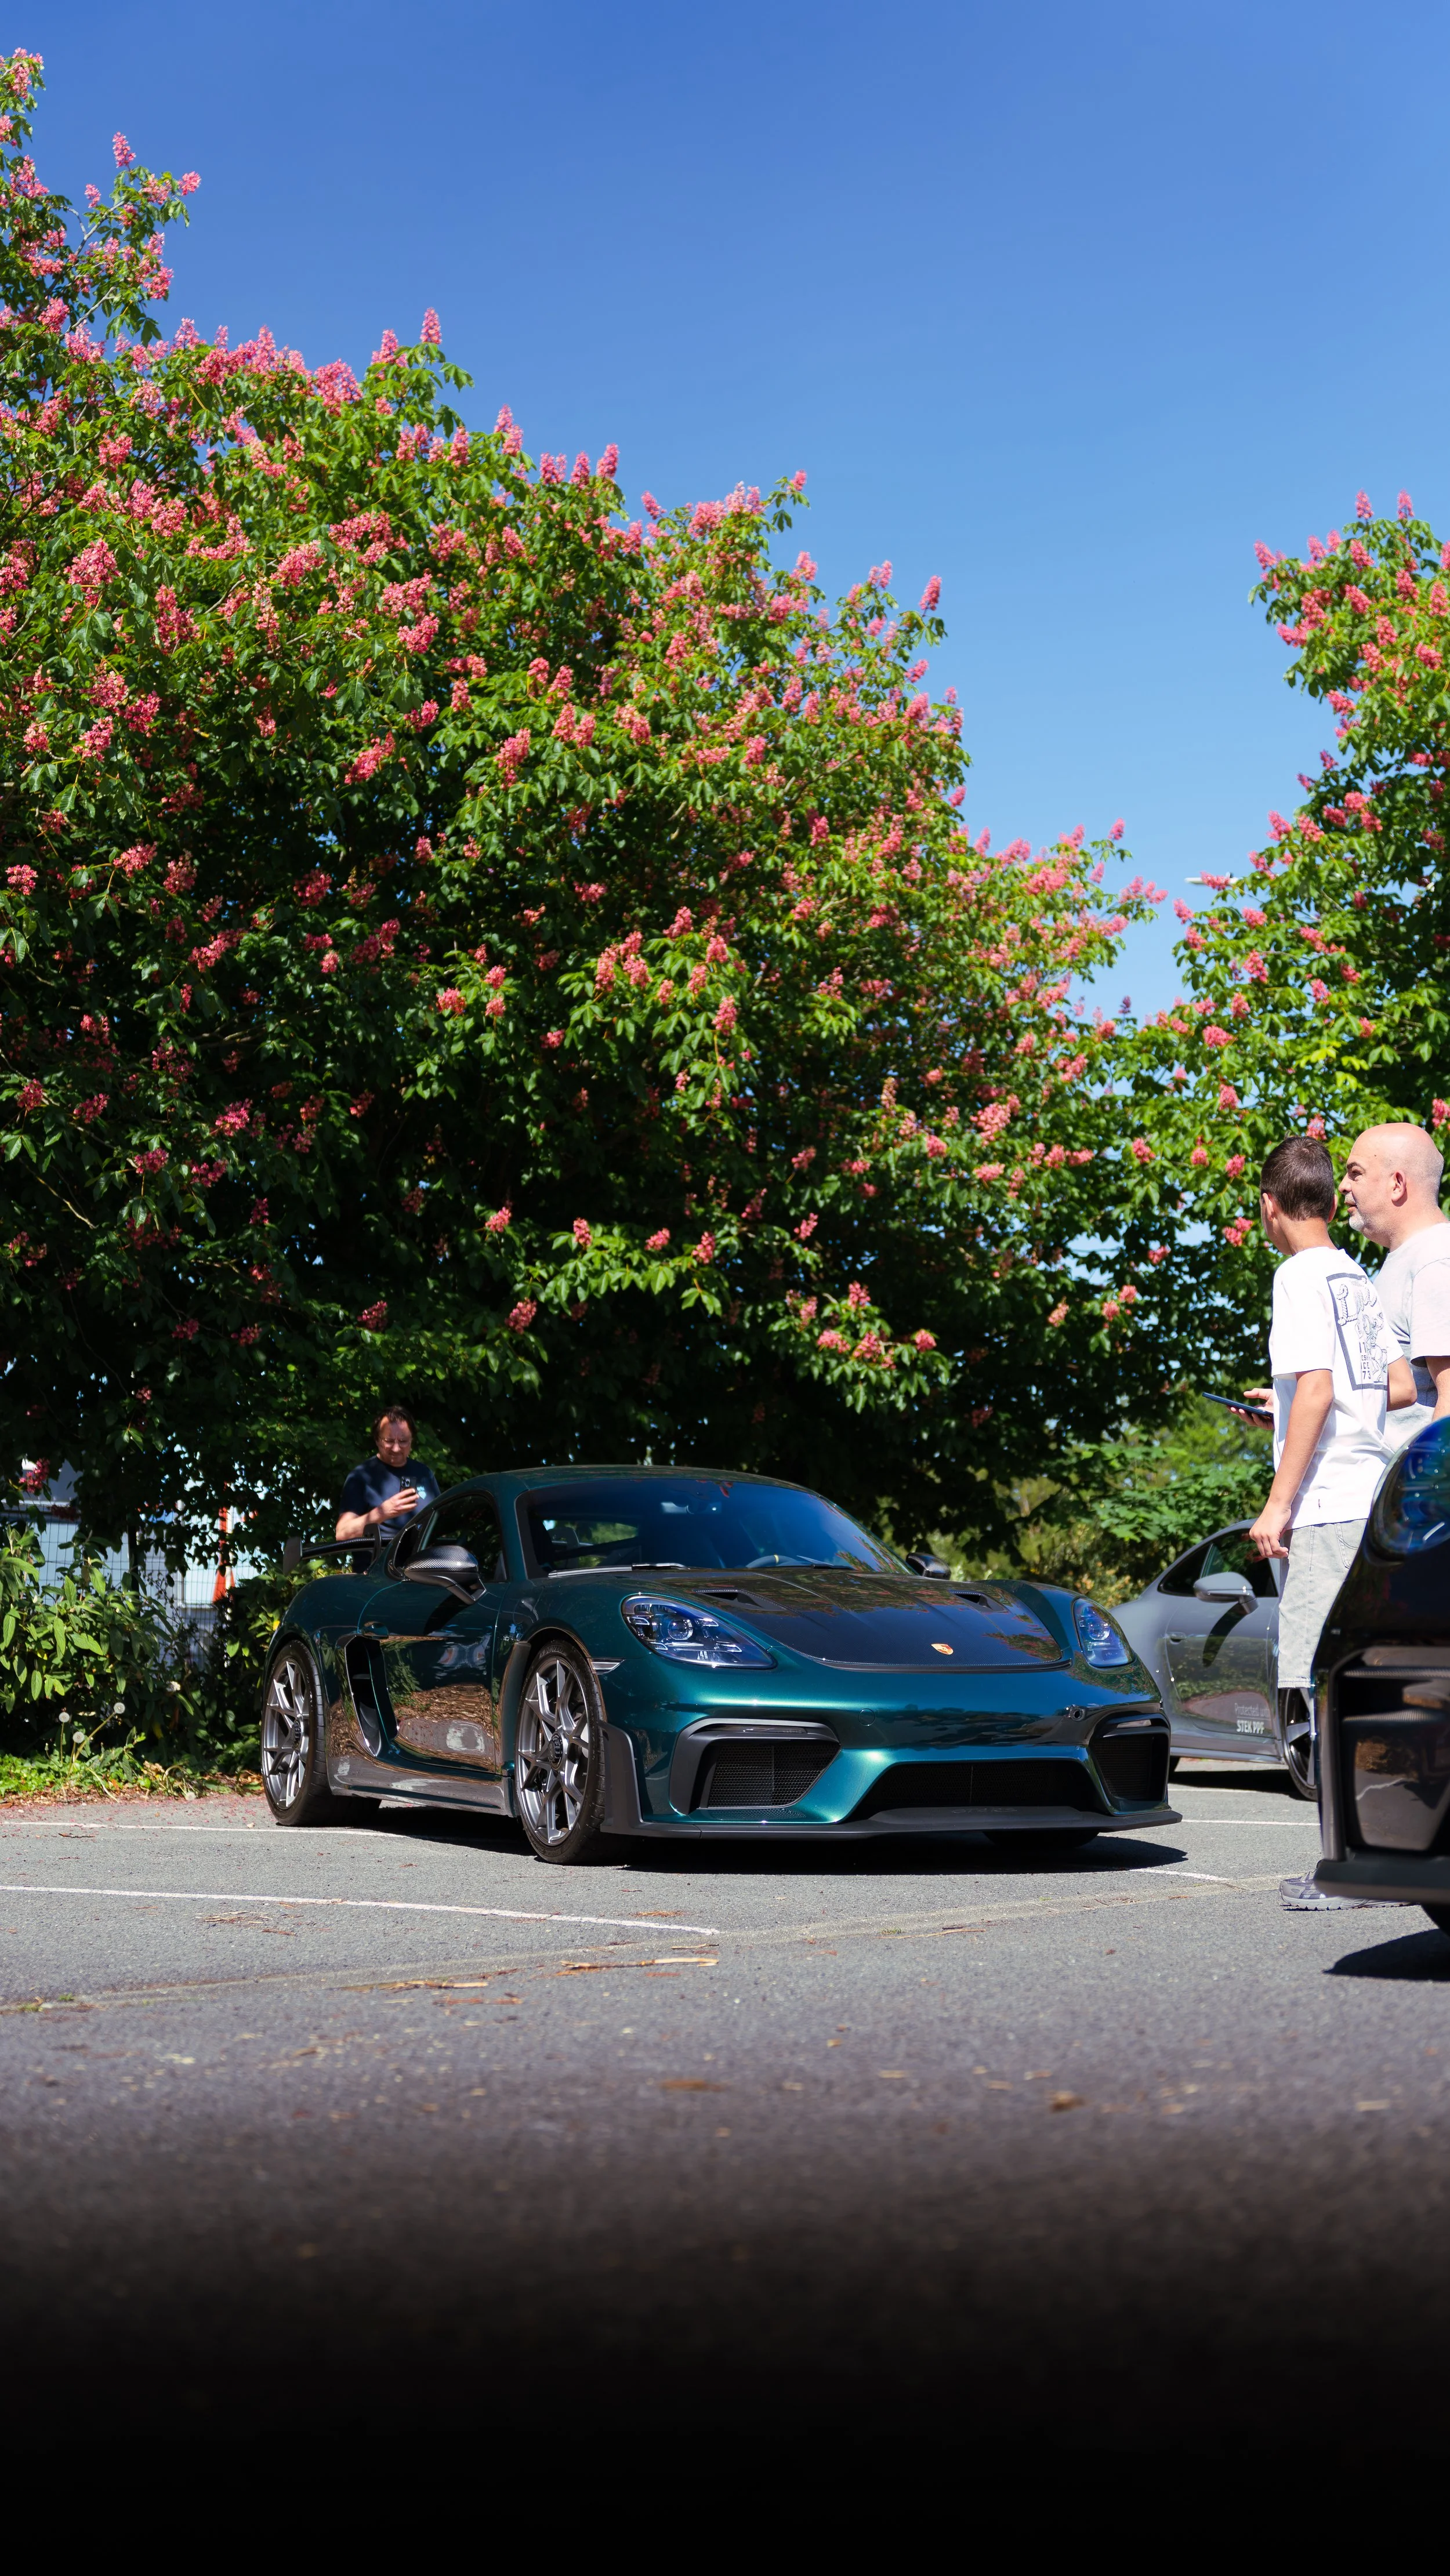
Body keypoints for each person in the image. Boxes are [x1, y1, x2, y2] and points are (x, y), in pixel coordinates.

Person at [1240, 1138, 1397, 1912]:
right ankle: (1375, 1853)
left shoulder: (1297, 1274)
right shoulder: (1356, 1279)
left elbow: (1315, 1391)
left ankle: (1349, 1867)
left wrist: (1278, 1501)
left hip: (1330, 1503)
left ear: (1271, 1206)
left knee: (1314, 1681)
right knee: (1358, 1679)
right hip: (1369, 1494)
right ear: (1333, 1203)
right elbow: (1369, 1391)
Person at [1340, 1122, 1450, 1446]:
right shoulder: (1410, 1258)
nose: (1344, 1185)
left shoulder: (1435, 1259)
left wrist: (1426, 1491)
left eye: (1355, 1173)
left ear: (1397, 1184)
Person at [335, 1403, 440, 1544]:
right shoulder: (361, 1477)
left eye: (403, 1442)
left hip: (422, 1562)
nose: (396, 1448)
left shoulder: (424, 1474)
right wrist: (383, 1512)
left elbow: (440, 1523)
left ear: (412, 1441)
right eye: (389, 1441)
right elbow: (342, 1533)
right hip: (378, 1563)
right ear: (377, 1440)